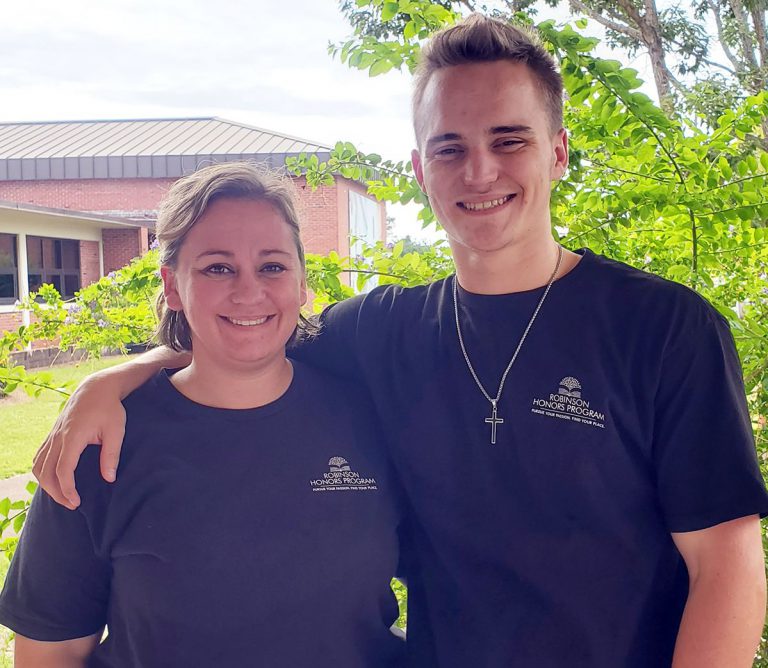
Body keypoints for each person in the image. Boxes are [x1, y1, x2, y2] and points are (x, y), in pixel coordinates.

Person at [31, 14, 768, 668]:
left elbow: (727, 566)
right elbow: (249, 334)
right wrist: (117, 378)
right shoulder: (380, 332)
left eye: (508, 140)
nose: (479, 170)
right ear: (419, 171)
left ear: (559, 152)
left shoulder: (665, 328)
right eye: (448, 148)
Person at [0, 163, 405, 667]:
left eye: (273, 266)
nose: (248, 290)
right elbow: (50, 652)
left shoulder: (372, 418)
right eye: (217, 267)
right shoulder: (102, 442)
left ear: (302, 283)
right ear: (173, 286)